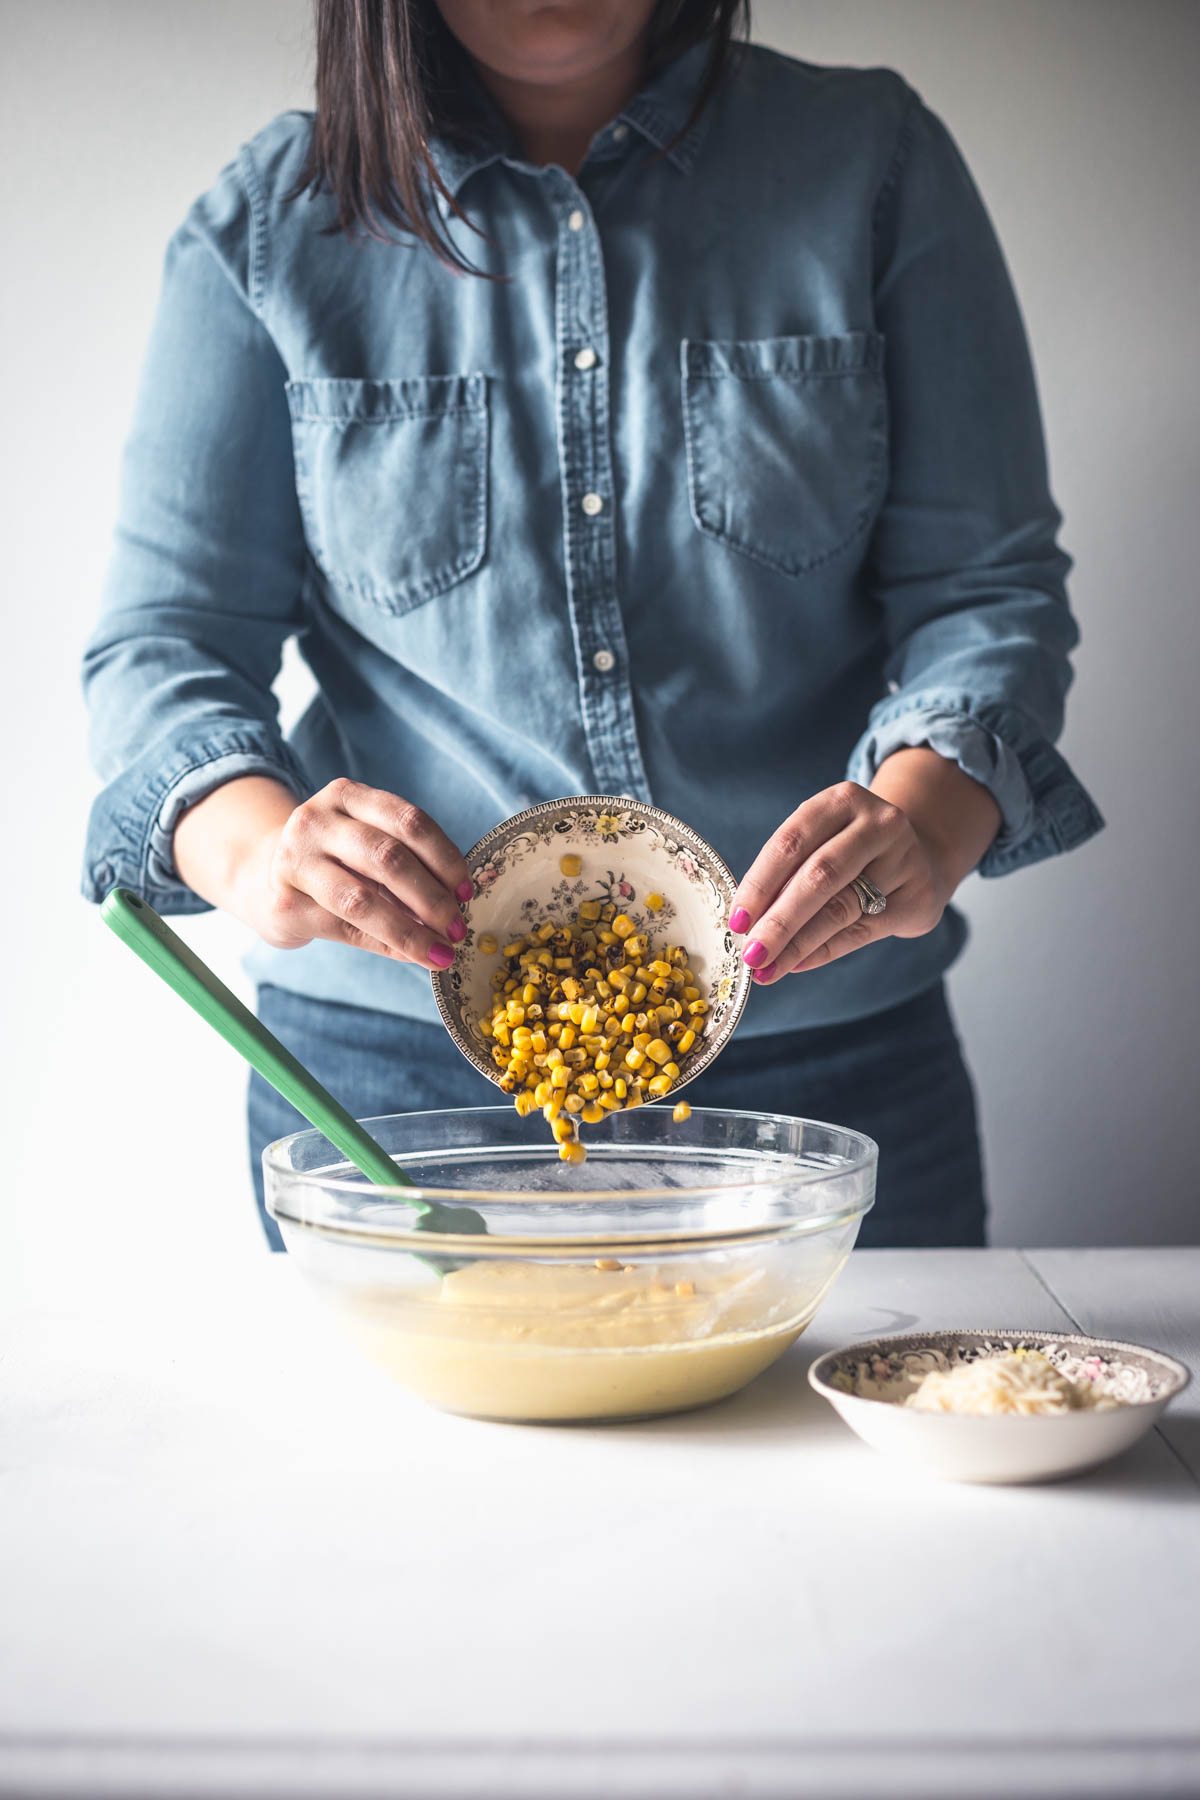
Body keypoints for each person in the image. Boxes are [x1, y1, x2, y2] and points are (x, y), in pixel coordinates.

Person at [81, 0, 1102, 1251]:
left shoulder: (870, 160)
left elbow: (985, 587)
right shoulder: (268, 219)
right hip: (396, 1085)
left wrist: (925, 824)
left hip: (823, 1058)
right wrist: (260, 858)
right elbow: (167, 643)